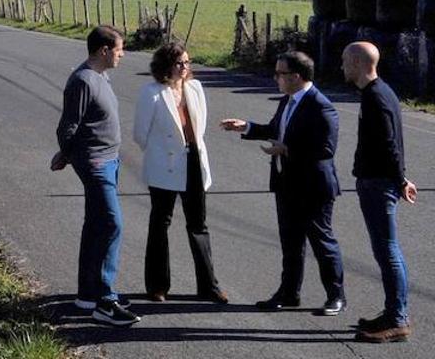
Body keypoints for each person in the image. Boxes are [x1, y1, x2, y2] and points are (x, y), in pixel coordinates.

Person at [220, 50, 346, 316]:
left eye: (280, 73)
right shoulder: (287, 101)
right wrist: (246, 127)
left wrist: (287, 150)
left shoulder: (321, 106)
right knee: (291, 243)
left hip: (313, 187)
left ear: (296, 77)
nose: (276, 77)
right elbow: (275, 129)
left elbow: (325, 149)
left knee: (321, 242)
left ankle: (336, 296)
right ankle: (289, 293)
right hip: (286, 184)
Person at [51, 25, 140, 326]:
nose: (122, 54)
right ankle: (105, 300)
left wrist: (66, 154)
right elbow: (68, 127)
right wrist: (69, 154)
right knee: (111, 224)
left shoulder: (101, 76)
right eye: (119, 49)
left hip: (109, 161)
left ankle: (87, 293)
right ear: (103, 51)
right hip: (96, 163)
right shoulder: (82, 80)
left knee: (96, 226)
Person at [133, 42, 228, 304]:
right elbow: (140, 134)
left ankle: (209, 286)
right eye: (179, 63)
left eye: (187, 62)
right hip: (164, 165)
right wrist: (163, 153)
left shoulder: (195, 88)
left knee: (198, 224)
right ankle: (157, 286)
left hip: (193, 161)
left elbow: (201, 128)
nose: (185, 68)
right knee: (160, 224)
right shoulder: (152, 93)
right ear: (165, 66)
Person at [343, 41, 418, 344]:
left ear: (359, 63)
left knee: (388, 251)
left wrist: (400, 180)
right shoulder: (378, 92)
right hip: (378, 181)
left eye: (346, 61)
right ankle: (392, 312)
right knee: (386, 250)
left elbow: (390, 144)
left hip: (378, 184)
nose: (342, 66)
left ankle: (397, 319)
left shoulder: (376, 97)